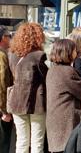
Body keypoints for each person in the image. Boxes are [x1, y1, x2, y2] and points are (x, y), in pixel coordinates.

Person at [7, 22, 48, 153]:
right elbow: (46, 77)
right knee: (37, 142)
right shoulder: (39, 55)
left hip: (17, 101)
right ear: (38, 36)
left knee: (21, 141)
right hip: (37, 103)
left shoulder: (12, 54)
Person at [46, 39, 81, 153]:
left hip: (55, 120)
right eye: (74, 50)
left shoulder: (52, 70)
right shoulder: (67, 72)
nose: (76, 52)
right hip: (66, 122)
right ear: (67, 52)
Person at [0, 26, 13, 152]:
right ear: (3, 38)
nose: (11, 39)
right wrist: (4, 111)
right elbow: (2, 83)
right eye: (9, 36)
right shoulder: (1, 55)